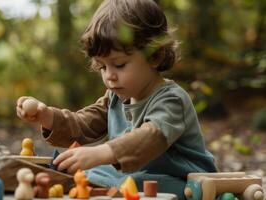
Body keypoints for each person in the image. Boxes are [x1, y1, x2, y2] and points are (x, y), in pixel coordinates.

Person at [16, 0, 217, 198]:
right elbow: (85, 123)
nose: (109, 76)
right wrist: (47, 116)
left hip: (186, 179)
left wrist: (102, 153)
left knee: (133, 182)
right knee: (86, 173)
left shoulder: (171, 99)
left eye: (119, 64)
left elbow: (151, 137)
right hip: (136, 175)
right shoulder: (116, 97)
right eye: (103, 67)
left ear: (154, 56)